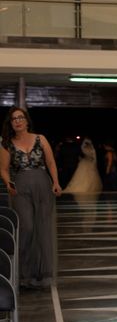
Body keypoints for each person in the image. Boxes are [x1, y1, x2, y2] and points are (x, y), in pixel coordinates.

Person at [0, 106, 61, 289]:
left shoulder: (40, 138)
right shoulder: (7, 144)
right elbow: (2, 168)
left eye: (20, 117)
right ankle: (25, 274)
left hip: (42, 184)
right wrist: (7, 182)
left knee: (43, 228)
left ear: (27, 121)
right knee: (27, 227)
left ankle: (43, 274)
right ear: (11, 124)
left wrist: (56, 182)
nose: (17, 121)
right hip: (20, 187)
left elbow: (50, 162)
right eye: (14, 119)